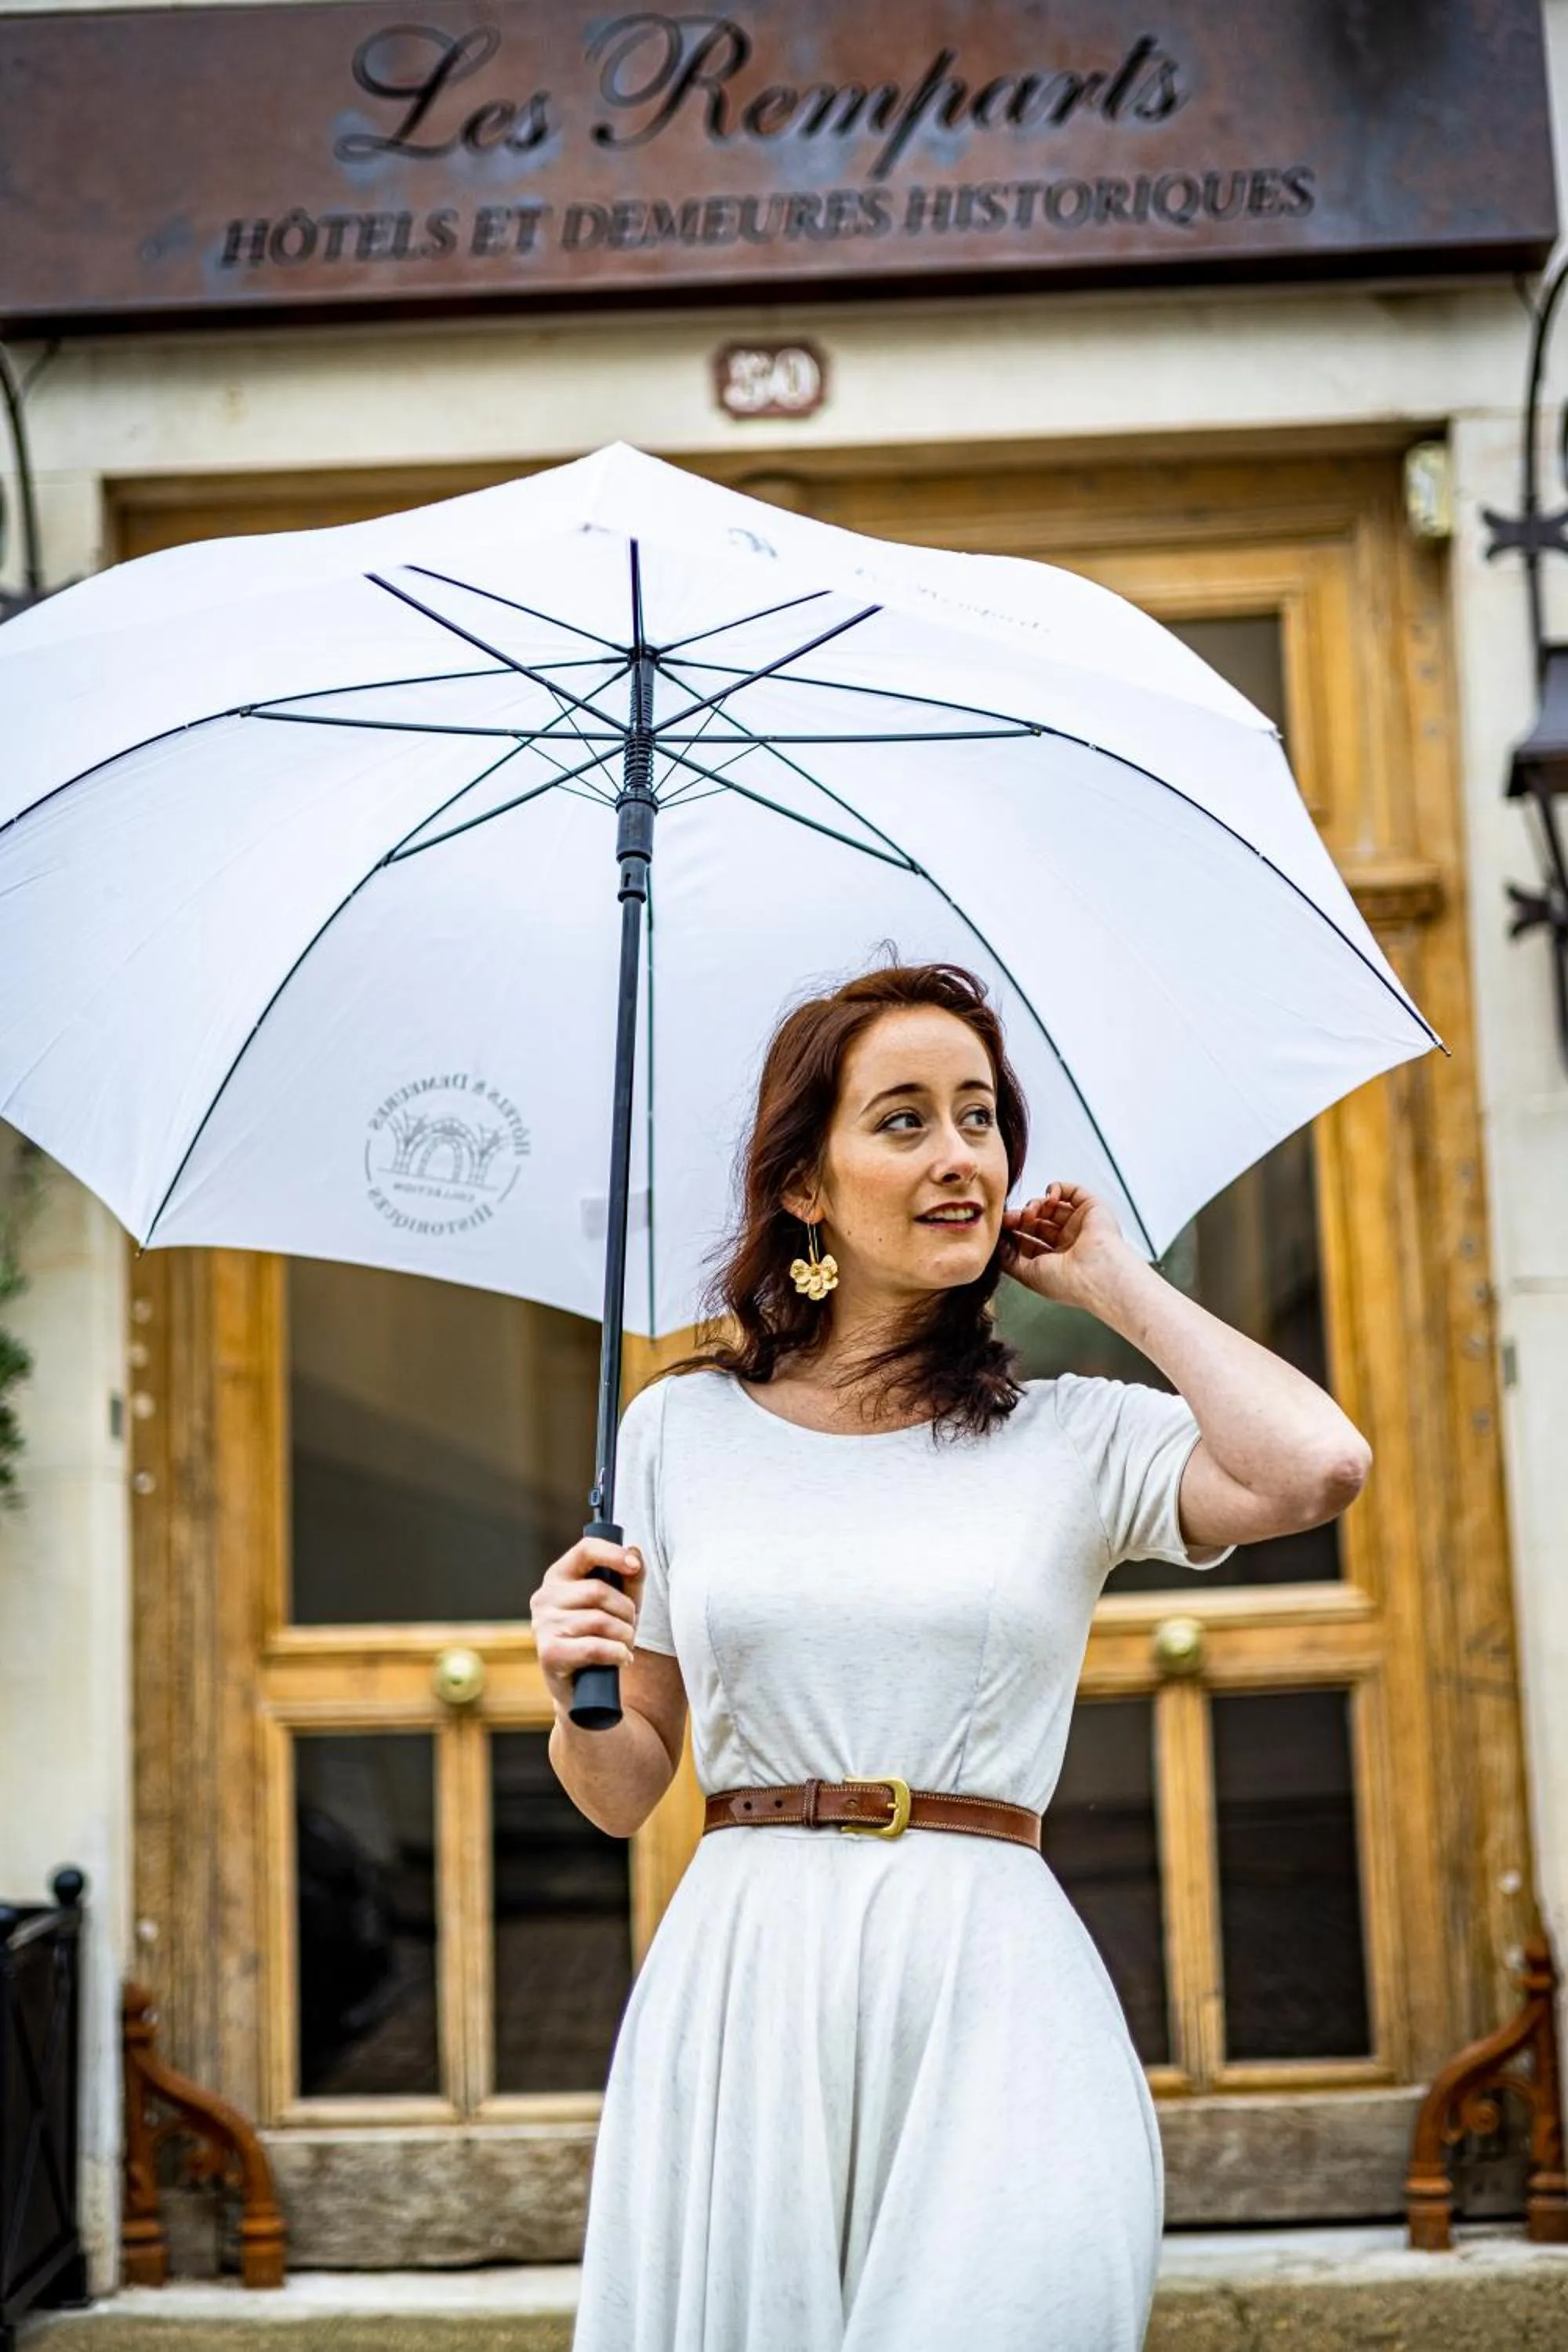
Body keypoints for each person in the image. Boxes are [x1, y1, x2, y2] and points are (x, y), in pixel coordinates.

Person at [532, 960, 1372, 2352]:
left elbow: (1317, 1467)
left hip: (992, 1979)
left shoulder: (1072, 1435)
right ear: (805, 1184)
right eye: (904, 1119)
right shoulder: (678, 1430)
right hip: (750, 1978)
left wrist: (1117, 1284)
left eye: (980, 1117)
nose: (959, 1156)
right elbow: (624, 1791)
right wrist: (577, 1690)